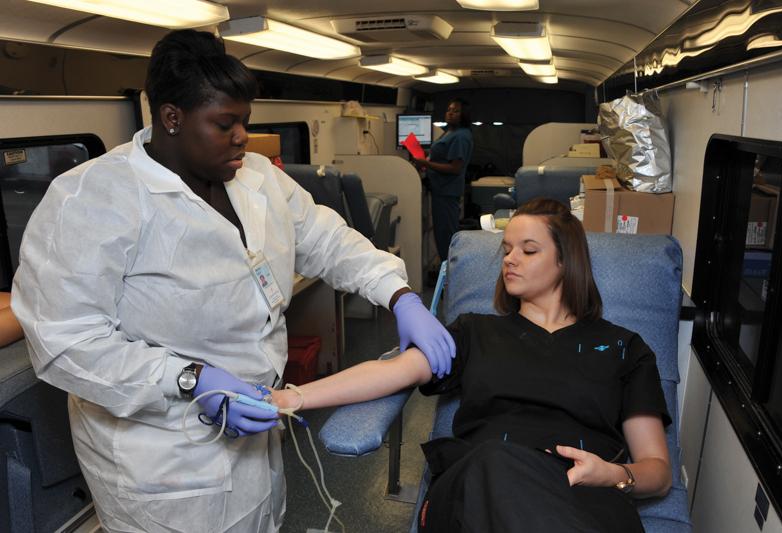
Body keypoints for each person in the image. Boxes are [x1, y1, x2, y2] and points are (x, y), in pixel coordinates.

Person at [11, 30, 454, 533]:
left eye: (245, 121)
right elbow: (66, 342)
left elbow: (330, 242)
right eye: (225, 124)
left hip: (253, 430)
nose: (243, 136)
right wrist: (190, 379)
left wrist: (399, 296)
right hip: (162, 458)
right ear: (172, 118)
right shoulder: (91, 201)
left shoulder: (257, 177)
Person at [271, 198, 672, 532]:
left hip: (585, 497)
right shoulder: (474, 332)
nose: (510, 260)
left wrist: (614, 474)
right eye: (507, 250)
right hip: (476, 489)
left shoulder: (624, 348)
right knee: (496, 461)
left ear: (567, 261)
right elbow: (389, 371)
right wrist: (288, 398)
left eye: (528, 250)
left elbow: (657, 471)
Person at [413, 98, 474, 261]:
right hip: (440, 189)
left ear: (463, 115)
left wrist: (426, 163)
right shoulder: (449, 132)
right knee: (442, 234)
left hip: (447, 191)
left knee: (446, 236)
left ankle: (451, 277)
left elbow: (455, 168)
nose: (450, 113)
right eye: (449, 110)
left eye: (455, 111)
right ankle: (447, 275)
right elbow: (440, 157)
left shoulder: (460, 136)